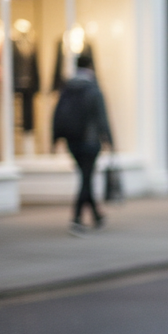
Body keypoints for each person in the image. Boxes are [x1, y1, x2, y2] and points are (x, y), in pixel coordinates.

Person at [54, 54, 113, 235]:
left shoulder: (68, 87)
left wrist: (55, 137)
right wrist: (109, 139)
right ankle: (77, 219)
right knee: (86, 179)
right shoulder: (93, 88)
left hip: (72, 141)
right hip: (90, 141)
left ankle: (96, 214)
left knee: (85, 176)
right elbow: (102, 117)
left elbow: (57, 114)